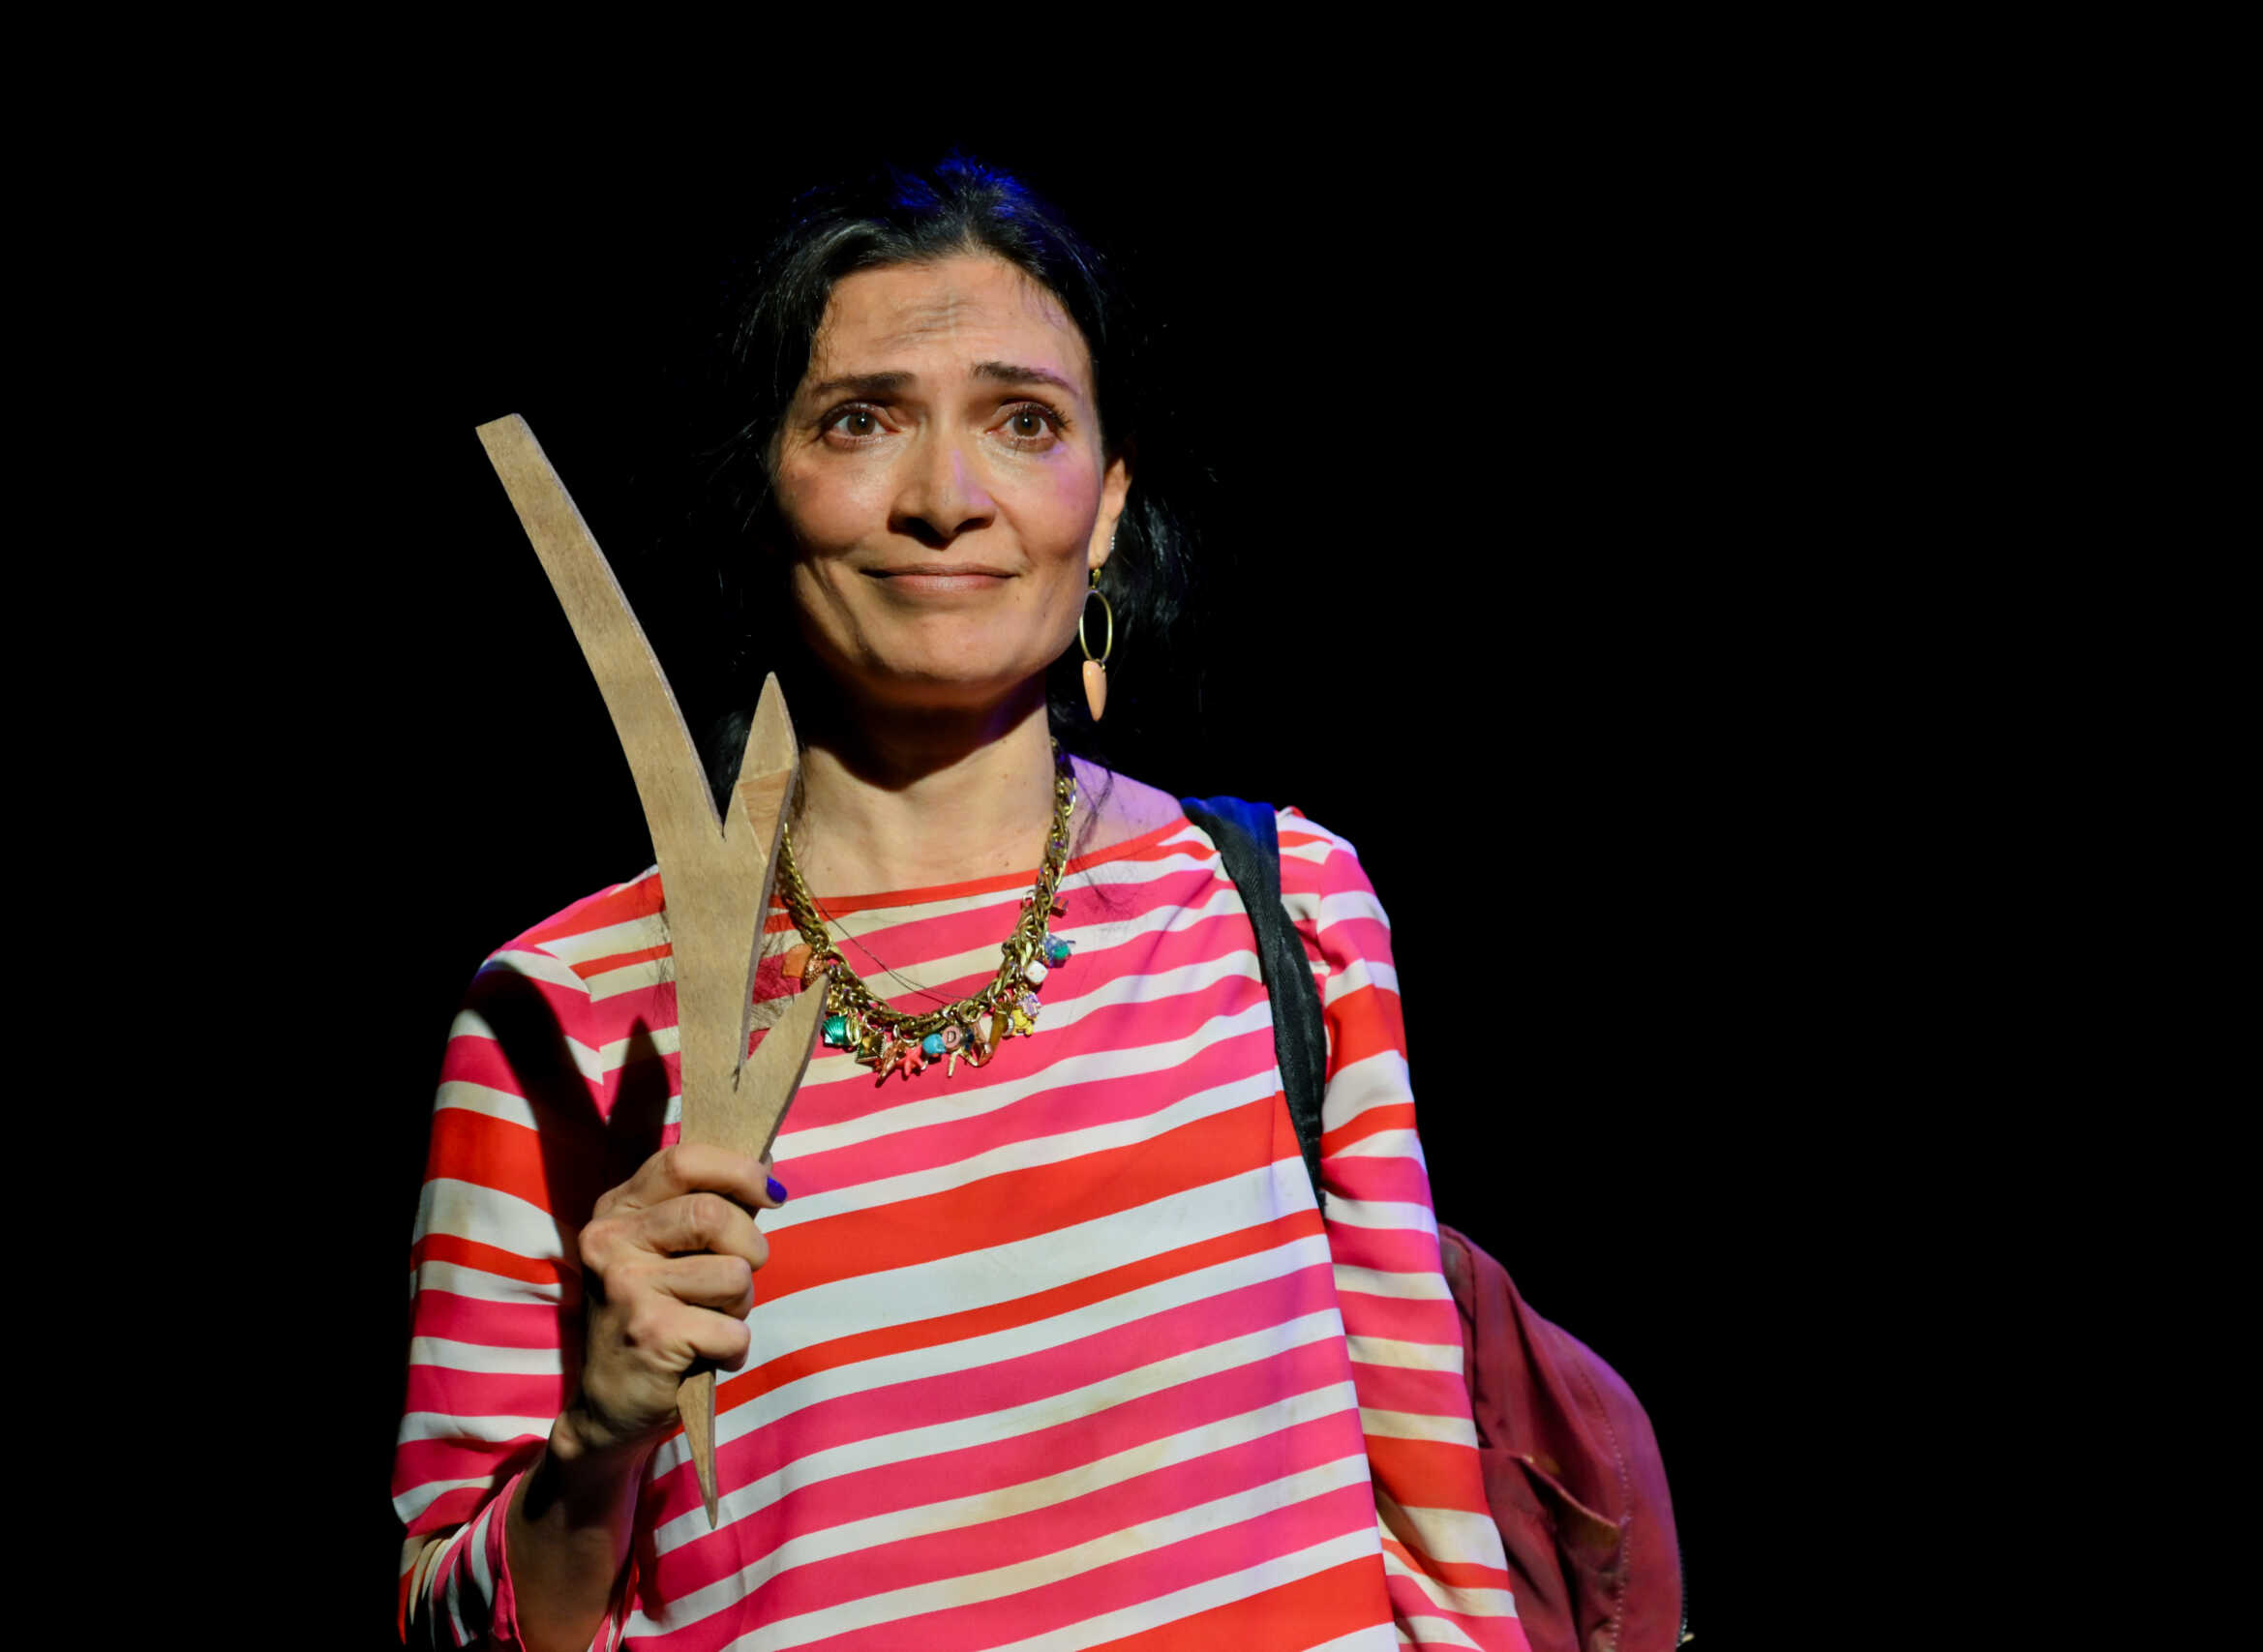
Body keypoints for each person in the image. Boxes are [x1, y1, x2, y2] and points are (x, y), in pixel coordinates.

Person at [393, 156, 1532, 1652]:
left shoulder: (1284, 909)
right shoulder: (564, 1014)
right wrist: (594, 1443)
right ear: (763, 485)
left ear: (1107, 503)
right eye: (860, 421)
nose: (945, 500)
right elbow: (446, 1617)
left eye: (1025, 422)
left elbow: (1441, 1540)